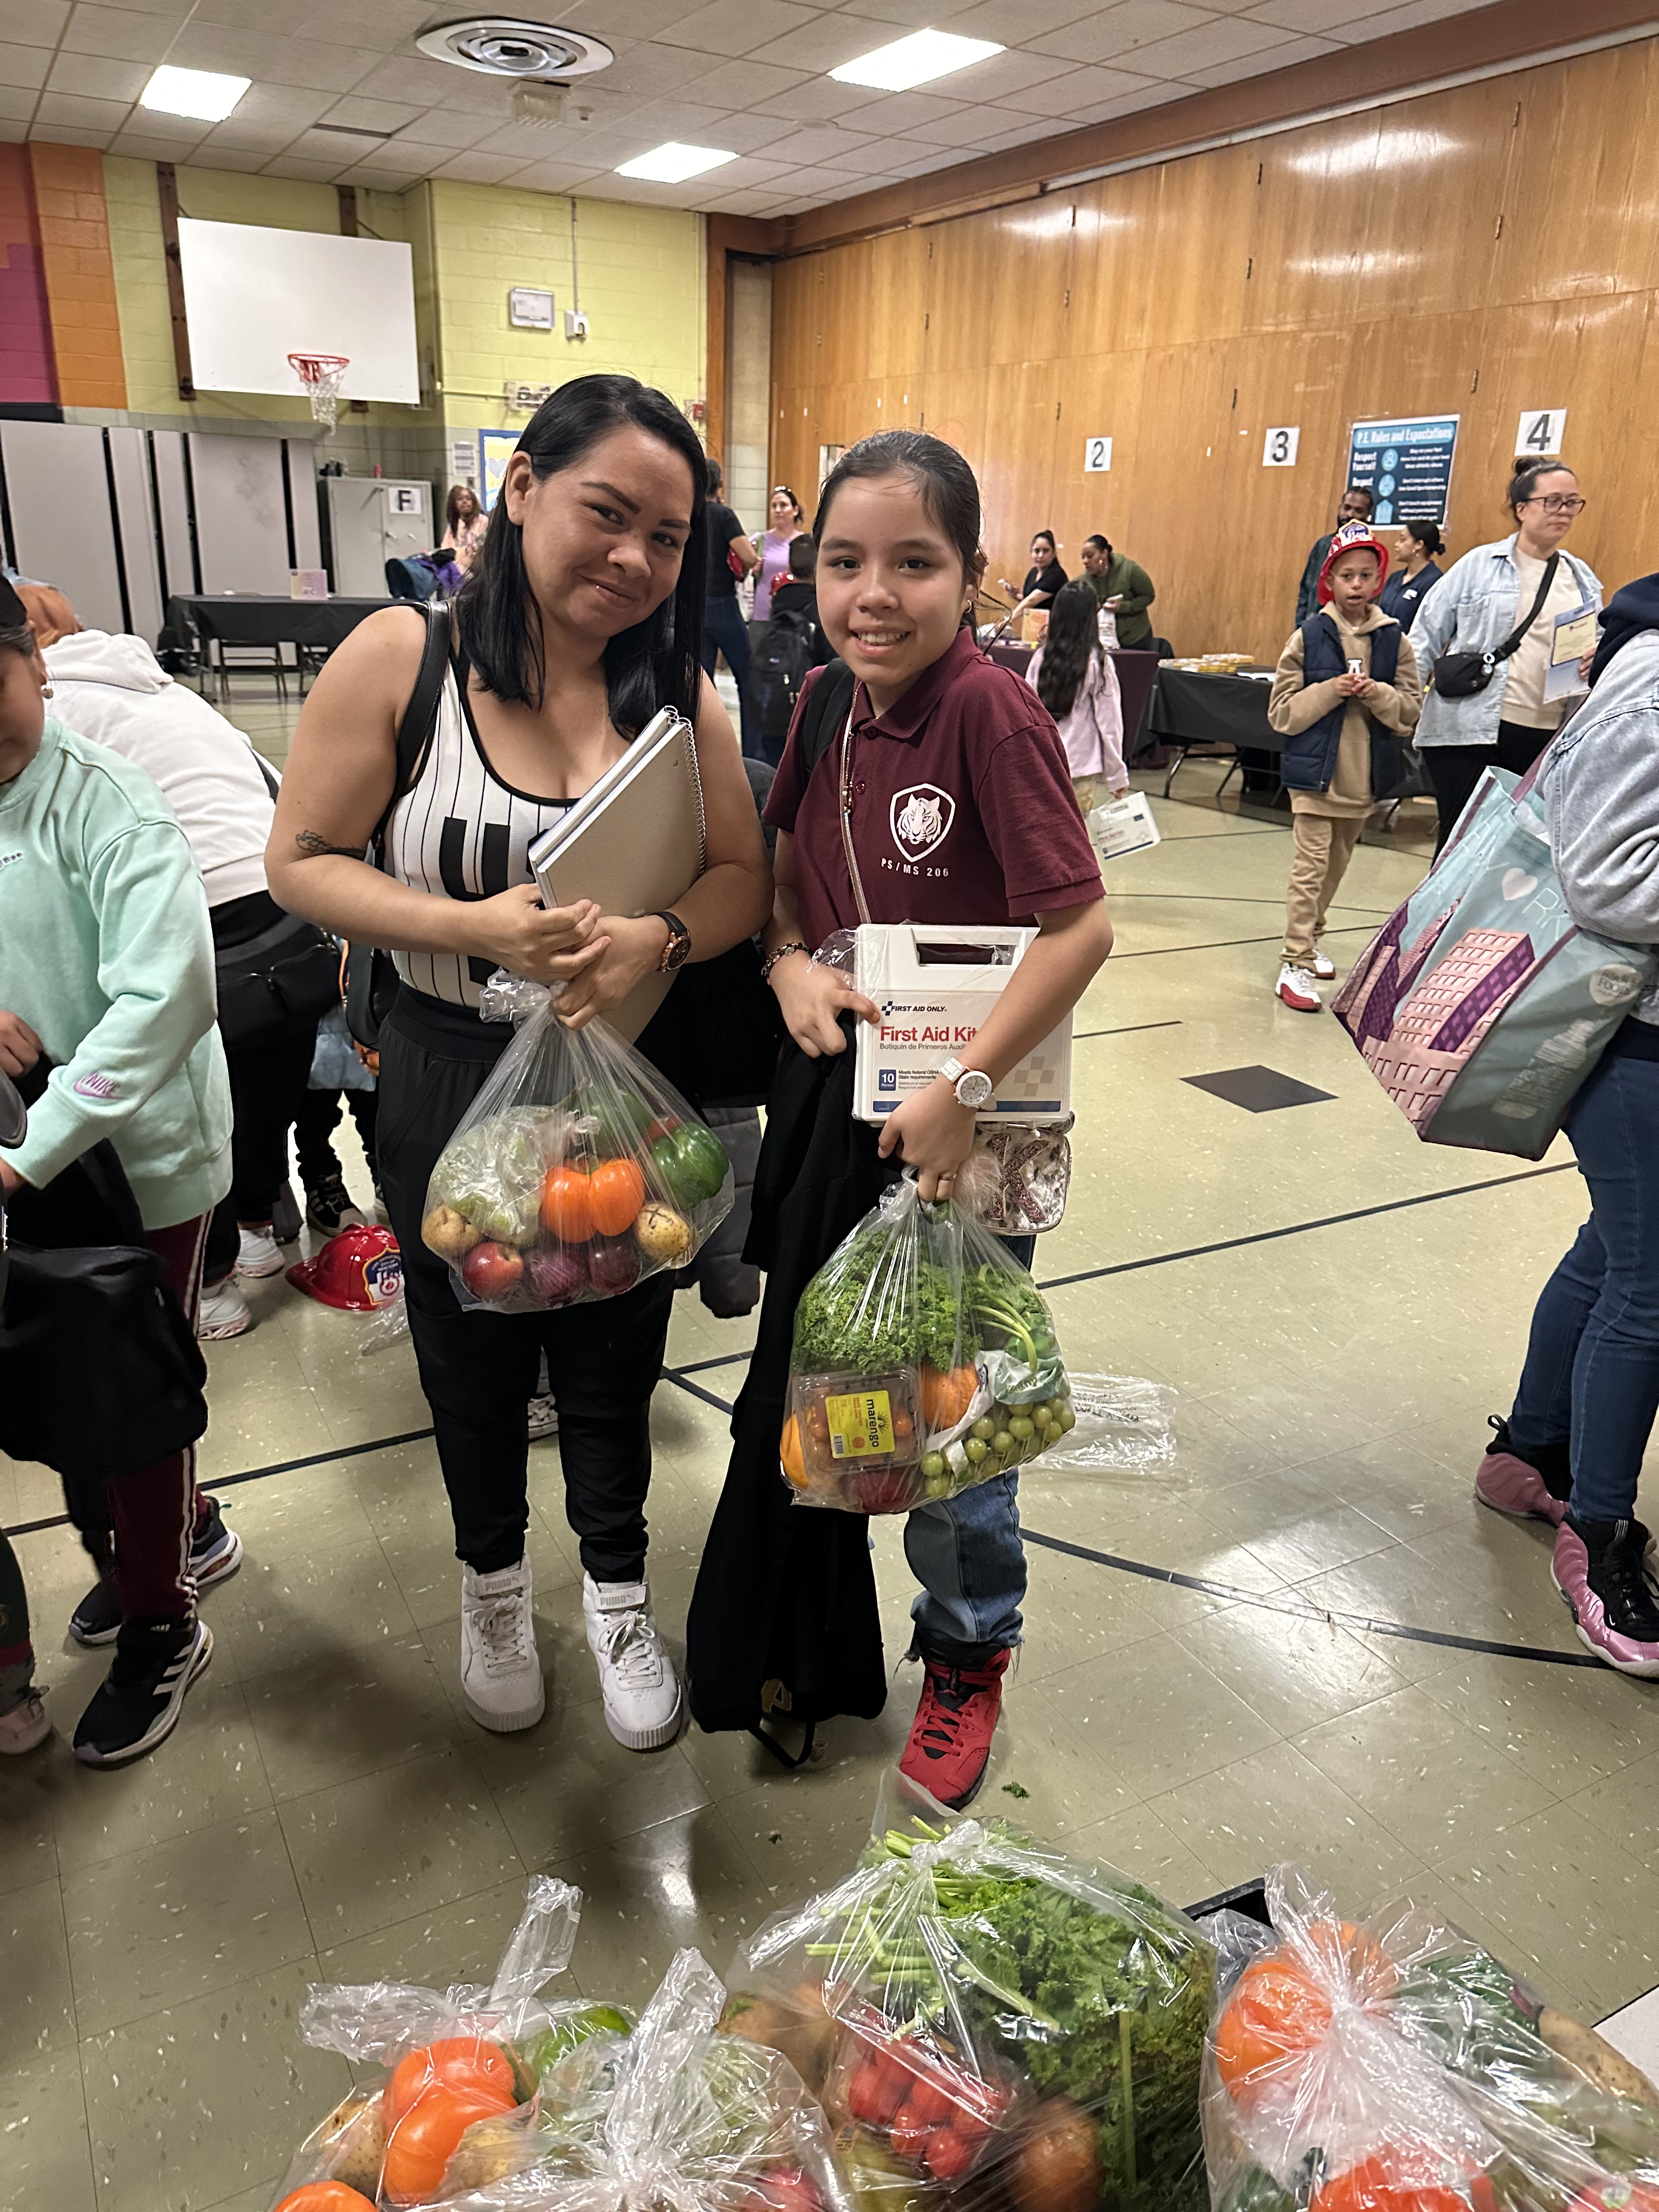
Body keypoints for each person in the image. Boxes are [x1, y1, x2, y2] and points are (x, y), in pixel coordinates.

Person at [264, 375, 771, 1747]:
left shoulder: (681, 688)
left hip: (615, 1071)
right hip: (443, 1062)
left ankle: (616, 1592)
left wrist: (660, 937)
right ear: (524, 490)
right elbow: (298, 862)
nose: (634, 560)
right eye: (607, 513)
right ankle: (494, 1583)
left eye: (668, 539)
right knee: (469, 1345)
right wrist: (466, 925)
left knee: (618, 1336)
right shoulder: (401, 658)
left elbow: (740, 874)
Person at [689, 430, 1111, 1810]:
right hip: (854, 1110)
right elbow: (799, 872)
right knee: (839, 1392)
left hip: (971, 1132)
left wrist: (965, 1095)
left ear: (972, 578)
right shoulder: (822, 701)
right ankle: (812, 1651)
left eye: (914, 563)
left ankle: (966, 1657)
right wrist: (788, 959)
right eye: (845, 561)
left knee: (951, 1421)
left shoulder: (989, 713)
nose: (875, 592)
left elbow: (1080, 926)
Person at [0, 574, 237, 1765]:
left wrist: (26, 1156)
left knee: (134, 1396)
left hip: (138, 1164)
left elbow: (169, 997)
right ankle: (176, 1530)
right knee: (73, 1392)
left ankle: (164, 1619)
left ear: (35, 665)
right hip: (29, 1162)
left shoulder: (107, 806)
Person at [21, 583, 325, 1341]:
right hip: (283, 896)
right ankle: (259, 1217)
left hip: (209, 907)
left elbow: (160, 1007)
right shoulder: (154, 682)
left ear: (33, 653)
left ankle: (218, 1273)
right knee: (265, 1079)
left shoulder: (66, 731)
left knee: (190, 1079)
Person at [1472, 573, 1659, 1672]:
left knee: (1615, 1249)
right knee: (1651, 1285)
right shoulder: (1647, 688)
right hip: (1634, 1036)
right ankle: (1596, 1529)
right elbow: (1608, 884)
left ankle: (1530, 1453)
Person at [1267, 521, 1422, 1013]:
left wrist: (1376, 694)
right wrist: (1330, 690)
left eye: (1365, 576)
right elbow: (1282, 714)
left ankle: (1311, 940)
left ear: (1379, 580)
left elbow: (1410, 712)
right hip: (1314, 779)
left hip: (1363, 779)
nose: (1356, 586)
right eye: (1346, 576)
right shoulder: (1308, 637)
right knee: (1310, 868)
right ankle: (1293, 961)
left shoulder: (1394, 640)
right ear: (1329, 581)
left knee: (1336, 866)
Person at [1410, 461, 1601, 853]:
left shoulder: (1581, 579)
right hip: (1468, 728)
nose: (1563, 512)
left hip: (1544, 733)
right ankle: (1438, 918)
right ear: (1522, 508)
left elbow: (1598, 648)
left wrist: (1596, 658)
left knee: (1508, 855)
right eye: (1551, 501)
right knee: (1459, 847)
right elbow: (1425, 635)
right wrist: (1402, 702)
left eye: (1571, 503)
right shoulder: (1479, 566)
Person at [1026, 578, 1128, 818]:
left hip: (1042, 762)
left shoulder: (1040, 658)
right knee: (1073, 842)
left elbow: (1026, 712)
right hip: (1081, 767)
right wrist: (1117, 774)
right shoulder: (1098, 662)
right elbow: (1110, 723)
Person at [701, 458, 761, 757]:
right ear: (720, 484)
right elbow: (748, 556)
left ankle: (703, 753)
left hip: (693, 608)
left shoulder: (690, 515)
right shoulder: (723, 516)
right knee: (747, 676)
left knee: (702, 686)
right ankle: (752, 753)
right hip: (723, 605)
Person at [1296, 486, 1374, 624]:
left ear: (1367, 515)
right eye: (1347, 508)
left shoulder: (1371, 552)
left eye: (1358, 511)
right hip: (1314, 625)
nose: (1350, 515)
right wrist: (1301, 628)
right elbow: (1306, 591)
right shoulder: (1322, 545)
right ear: (1340, 509)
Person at [1078, 534, 1157, 651]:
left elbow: (1148, 595)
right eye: (1083, 557)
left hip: (1135, 638)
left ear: (1104, 554)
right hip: (1102, 641)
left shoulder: (1129, 570)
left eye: (1090, 556)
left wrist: (1124, 607)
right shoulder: (1083, 581)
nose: (1085, 561)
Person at [751, 484, 806, 626]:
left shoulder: (805, 543)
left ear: (795, 510)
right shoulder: (759, 540)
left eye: (783, 505)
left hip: (795, 615)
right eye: (774, 506)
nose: (778, 510)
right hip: (763, 616)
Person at [1378, 519, 1445, 631]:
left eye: (1402, 540)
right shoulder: (1395, 578)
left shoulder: (1435, 581)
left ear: (1419, 545)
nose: (1396, 545)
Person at [998, 530, 1067, 626]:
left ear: (1053, 553)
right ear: (1031, 552)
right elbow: (1034, 602)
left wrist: (1005, 622)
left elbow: (1031, 601)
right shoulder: (1033, 573)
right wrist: (1017, 596)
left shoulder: (1057, 575)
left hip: (1055, 629)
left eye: (1046, 551)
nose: (1040, 555)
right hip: (1035, 628)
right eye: (1037, 551)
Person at [443, 484, 487, 572]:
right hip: (456, 570)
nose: (465, 502)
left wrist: (457, 553)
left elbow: (476, 549)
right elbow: (446, 549)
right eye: (460, 499)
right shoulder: (455, 524)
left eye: (468, 498)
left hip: (476, 570)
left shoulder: (483, 521)